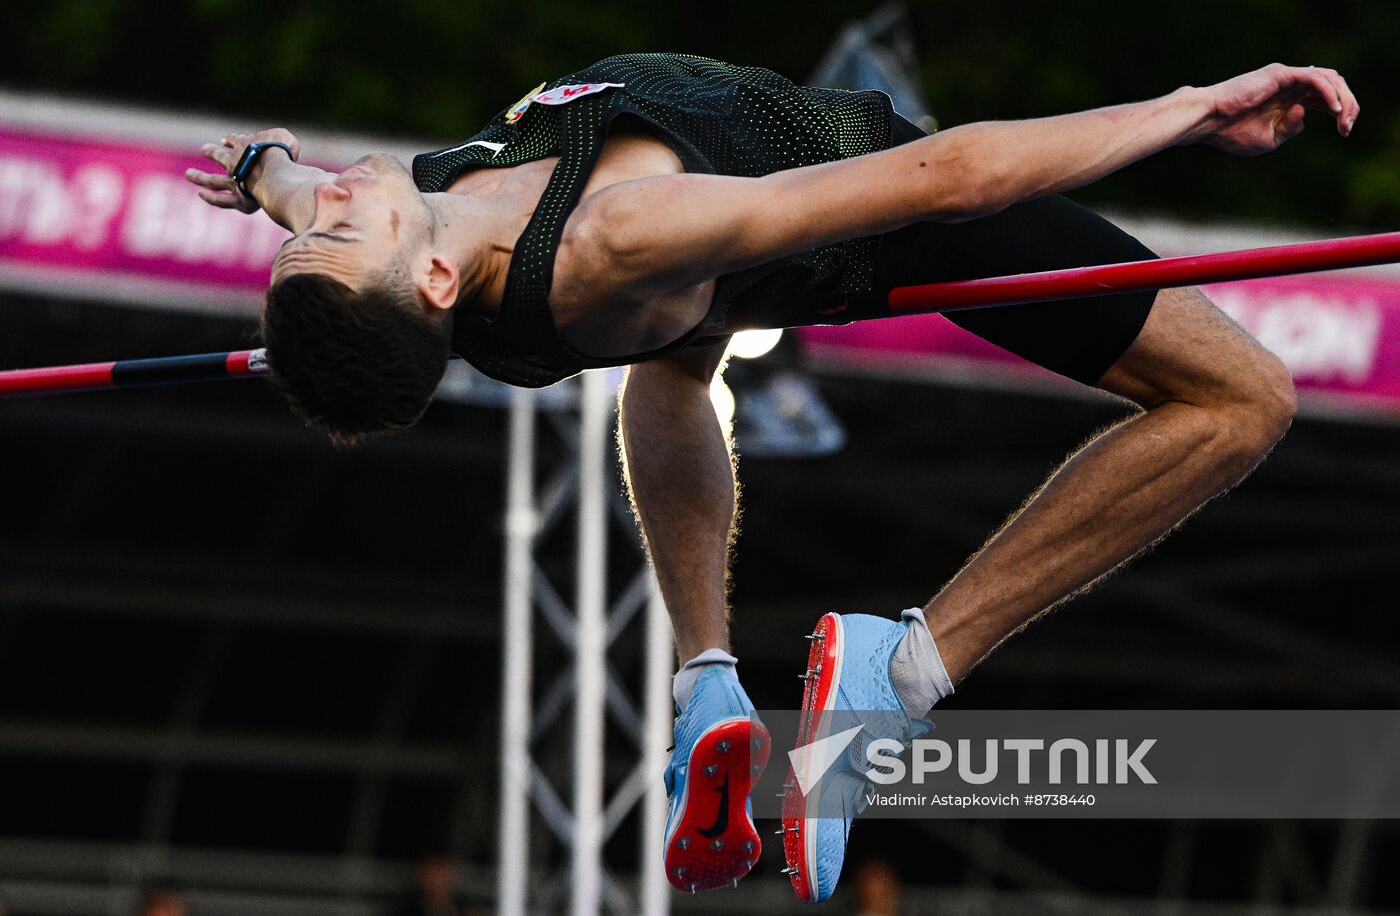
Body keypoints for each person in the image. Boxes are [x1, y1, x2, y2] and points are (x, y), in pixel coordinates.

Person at [186, 53, 1356, 902]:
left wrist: (264, 171)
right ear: (435, 283)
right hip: (873, 210)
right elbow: (954, 180)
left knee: (674, 360)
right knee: (1243, 399)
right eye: (336, 225)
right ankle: (896, 675)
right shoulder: (618, 237)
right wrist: (1191, 109)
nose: (330, 199)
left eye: (314, 221)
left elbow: (292, 183)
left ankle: (707, 682)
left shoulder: (405, 227)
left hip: (689, 277)